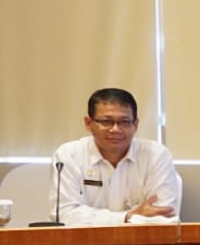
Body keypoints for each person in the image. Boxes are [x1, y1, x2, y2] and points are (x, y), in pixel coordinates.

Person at [51, 87, 179, 225]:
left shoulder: (156, 155)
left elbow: (162, 215)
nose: (115, 129)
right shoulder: (68, 156)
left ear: (135, 125)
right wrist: (127, 216)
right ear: (88, 123)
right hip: (85, 239)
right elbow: (63, 215)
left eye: (124, 122)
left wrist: (94, 218)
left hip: (140, 238)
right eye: (106, 122)